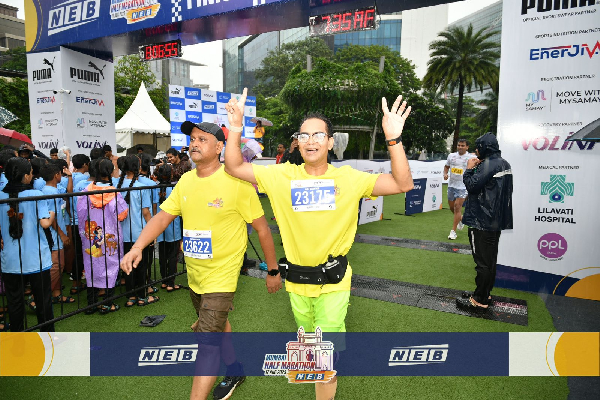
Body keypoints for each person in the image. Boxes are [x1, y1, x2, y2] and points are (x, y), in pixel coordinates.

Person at [224, 89, 414, 400]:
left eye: (318, 135)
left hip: (333, 284)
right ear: (297, 142)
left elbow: (402, 183)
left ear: (329, 142)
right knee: (313, 356)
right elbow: (233, 166)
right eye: (304, 135)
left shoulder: (349, 178)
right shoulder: (280, 176)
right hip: (297, 284)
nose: (310, 140)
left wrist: (393, 139)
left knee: (323, 359)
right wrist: (235, 127)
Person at [120, 121, 280, 400]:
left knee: (207, 345)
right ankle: (235, 369)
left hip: (222, 277)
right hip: (195, 276)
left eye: (202, 139)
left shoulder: (237, 183)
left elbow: (263, 229)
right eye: (193, 138)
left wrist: (273, 270)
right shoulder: (186, 181)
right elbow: (162, 217)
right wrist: (137, 247)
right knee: (218, 325)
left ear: (219, 148)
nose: (194, 143)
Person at [455, 133, 513, 312]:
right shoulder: (504, 163)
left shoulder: (488, 164)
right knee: (490, 261)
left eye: (478, 146)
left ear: (485, 147)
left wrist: (469, 169)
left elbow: (472, 185)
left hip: (482, 221)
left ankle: (479, 300)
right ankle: (484, 293)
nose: (476, 150)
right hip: (494, 221)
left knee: (482, 263)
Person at [0, 157, 56, 332]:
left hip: (10, 259)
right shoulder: (36, 195)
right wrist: (52, 212)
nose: (32, 176)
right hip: (36, 258)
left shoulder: (1, 196)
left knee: (14, 303)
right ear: (26, 176)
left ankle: (17, 339)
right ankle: (48, 338)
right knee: (43, 301)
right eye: (31, 173)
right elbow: (45, 223)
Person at [78, 157, 128, 314]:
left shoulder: (86, 191)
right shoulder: (114, 193)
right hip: (110, 235)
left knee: (91, 264)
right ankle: (107, 302)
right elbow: (122, 214)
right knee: (111, 265)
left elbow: (80, 213)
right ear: (110, 172)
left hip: (91, 235)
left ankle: (91, 304)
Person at [115, 155, 155, 307]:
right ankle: (142, 295)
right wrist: (153, 231)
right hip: (140, 233)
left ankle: (130, 296)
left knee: (127, 265)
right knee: (141, 265)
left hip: (122, 232)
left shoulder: (117, 186)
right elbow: (146, 212)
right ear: (137, 167)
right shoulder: (140, 187)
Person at [40, 163, 75, 304]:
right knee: (57, 266)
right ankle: (38, 297)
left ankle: (56, 293)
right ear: (56, 175)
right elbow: (50, 217)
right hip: (54, 235)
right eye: (60, 173)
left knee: (58, 265)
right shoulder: (50, 193)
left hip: (55, 233)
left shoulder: (50, 189)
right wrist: (62, 234)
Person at [154, 163, 182, 292]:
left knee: (163, 255)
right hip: (173, 227)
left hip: (159, 227)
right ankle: (171, 283)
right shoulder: (174, 188)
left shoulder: (154, 188)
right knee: (173, 256)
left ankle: (164, 281)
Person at [443, 139, 476, 240]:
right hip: (452, 185)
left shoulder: (471, 158)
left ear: (467, 147)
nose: (460, 147)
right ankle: (461, 219)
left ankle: (453, 232)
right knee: (451, 207)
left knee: (457, 207)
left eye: (462, 146)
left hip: (463, 186)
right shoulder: (451, 156)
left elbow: (478, 167)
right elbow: (446, 167)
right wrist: (445, 174)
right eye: (459, 145)